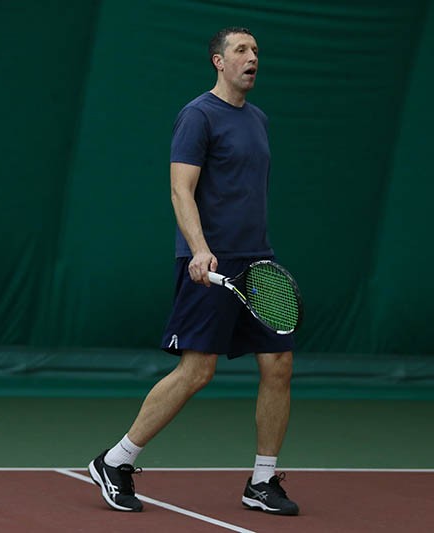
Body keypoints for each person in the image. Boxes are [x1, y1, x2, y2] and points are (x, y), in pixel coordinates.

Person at [88, 27, 299, 517]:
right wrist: (200, 250)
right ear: (218, 61)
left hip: (258, 262)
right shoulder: (198, 115)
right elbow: (180, 190)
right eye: (241, 50)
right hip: (211, 262)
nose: (252, 57)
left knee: (278, 364)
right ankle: (115, 460)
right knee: (197, 370)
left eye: (256, 51)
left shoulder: (259, 119)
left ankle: (262, 481)